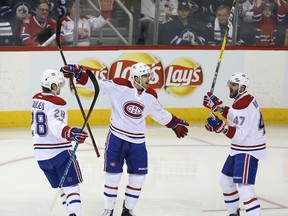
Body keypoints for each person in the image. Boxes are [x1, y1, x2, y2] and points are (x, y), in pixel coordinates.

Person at [60, 62, 189, 216]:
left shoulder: (151, 95)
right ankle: (108, 210)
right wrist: (80, 74)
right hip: (117, 138)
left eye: (149, 75)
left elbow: (159, 113)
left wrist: (173, 123)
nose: (150, 78)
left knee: (139, 178)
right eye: (146, 75)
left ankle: (128, 210)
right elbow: (96, 86)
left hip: (138, 142)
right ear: (136, 77)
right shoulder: (119, 85)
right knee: (112, 177)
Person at [203, 73, 267, 216]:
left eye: (234, 85)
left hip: (248, 150)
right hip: (240, 149)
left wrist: (221, 127)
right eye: (230, 83)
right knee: (225, 181)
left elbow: (239, 136)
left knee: (245, 189)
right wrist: (218, 108)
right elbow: (234, 115)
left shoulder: (243, 105)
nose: (230, 87)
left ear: (242, 87)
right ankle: (233, 214)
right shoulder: (242, 99)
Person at [31, 69, 88, 216]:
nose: (60, 88)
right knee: (71, 187)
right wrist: (70, 132)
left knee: (62, 189)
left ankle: (71, 213)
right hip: (59, 153)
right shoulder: (57, 102)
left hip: (41, 156)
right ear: (53, 86)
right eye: (59, 85)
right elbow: (55, 123)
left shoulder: (36, 99)